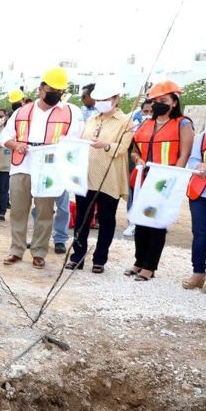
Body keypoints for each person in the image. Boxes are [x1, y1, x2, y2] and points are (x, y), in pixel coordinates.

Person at [1, 67, 84, 269]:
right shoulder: (22, 111)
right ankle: (16, 249)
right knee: (18, 211)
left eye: (60, 90)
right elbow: (5, 136)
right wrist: (15, 145)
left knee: (45, 212)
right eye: (51, 89)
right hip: (22, 165)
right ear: (41, 89)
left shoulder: (71, 112)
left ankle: (39, 252)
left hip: (49, 169)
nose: (56, 94)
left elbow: (75, 141)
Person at [127, 80, 194, 281]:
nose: (158, 104)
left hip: (165, 181)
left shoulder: (183, 123)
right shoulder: (147, 124)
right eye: (155, 100)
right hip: (144, 179)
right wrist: (138, 160)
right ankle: (139, 261)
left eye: (163, 100)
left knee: (156, 223)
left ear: (174, 102)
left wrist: (174, 179)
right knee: (140, 220)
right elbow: (135, 151)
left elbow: (184, 154)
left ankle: (150, 266)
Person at [67, 82, 134, 273]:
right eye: (99, 100)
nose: (102, 103)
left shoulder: (126, 122)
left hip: (109, 177)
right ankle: (77, 257)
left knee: (106, 219)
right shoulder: (91, 120)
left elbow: (122, 148)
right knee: (82, 218)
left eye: (106, 99)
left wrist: (105, 145)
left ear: (116, 99)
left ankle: (100, 259)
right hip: (87, 177)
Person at [182, 117, 206, 293]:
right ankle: (198, 273)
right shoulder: (203, 136)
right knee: (200, 234)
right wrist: (199, 166)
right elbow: (192, 160)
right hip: (200, 192)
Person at [123, 99, 155, 237]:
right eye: (145, 111)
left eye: (151, 111)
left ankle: (149, 223)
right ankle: (132, 224)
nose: (148, 114)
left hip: (154, 170)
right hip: (135, 168)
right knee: (133, 195)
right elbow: (132, 149)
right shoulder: (135, 126)